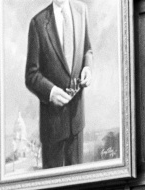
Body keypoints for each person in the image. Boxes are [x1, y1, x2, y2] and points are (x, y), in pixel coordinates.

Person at [25, 0, 93, 169]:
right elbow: (31, 75)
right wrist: (51, 92)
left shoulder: (81, 10)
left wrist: (88, 67)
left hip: (76, 122)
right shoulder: (38, 23)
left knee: (79, 187)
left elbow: (87, 50)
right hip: (52, 128)